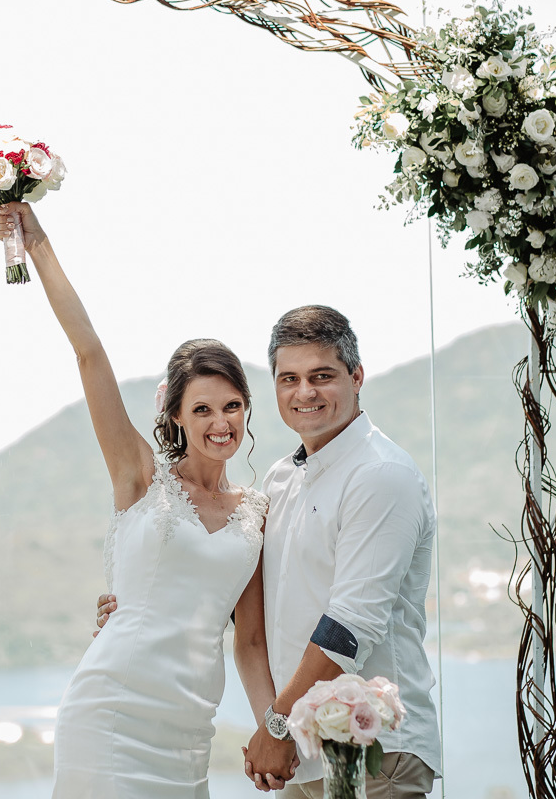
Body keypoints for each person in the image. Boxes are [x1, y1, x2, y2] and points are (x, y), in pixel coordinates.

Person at [0, 202, 291, 798]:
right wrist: (39, 241)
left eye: (231, 406)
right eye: (201, 408)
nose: (219, 422)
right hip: (110, 714)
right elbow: (89, 353)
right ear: (175, 415)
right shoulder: (139, 477)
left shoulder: (257, 512)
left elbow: (249, 641)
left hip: (186, 730)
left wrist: (270, 728)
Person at [99, 306, 441, 798]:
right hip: (301, 758)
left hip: (375, 754)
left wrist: (277, 728)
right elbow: (248, 624)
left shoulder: (381, 475)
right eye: (290, 378)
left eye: (322, 376)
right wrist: (132, 608)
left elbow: (351, 626)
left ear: (357, 376)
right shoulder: (279, 481)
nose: (305, 392)